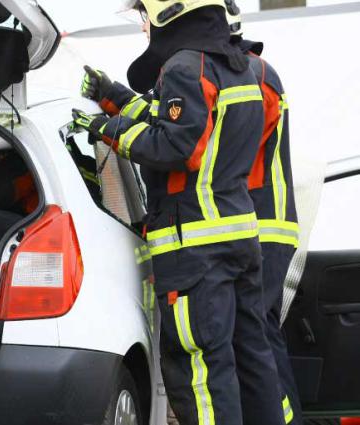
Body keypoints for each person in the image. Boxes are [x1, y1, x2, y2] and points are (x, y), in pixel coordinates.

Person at [72, 1, 285, 424]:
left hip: (195, 253)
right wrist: (112, 96)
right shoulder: (249, 70)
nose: (144, 25)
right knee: (253, 361)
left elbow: (173, 145)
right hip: (239, 240)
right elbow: (172, 121)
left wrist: (104, 128)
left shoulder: (185, 68)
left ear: (168, 13)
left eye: (144, 15)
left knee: (204, 373)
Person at [229, 5, 302, 424]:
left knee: (254, 332)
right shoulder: (253, 72)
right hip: (262, 224)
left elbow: (224, 150)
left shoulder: (255, 75)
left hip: (263, 224)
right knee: (262, 330)